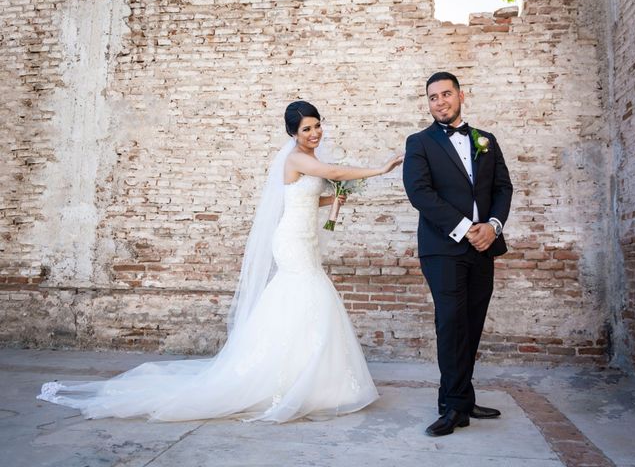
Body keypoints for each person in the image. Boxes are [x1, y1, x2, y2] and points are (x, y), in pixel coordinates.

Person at [37, 100, 403, 423]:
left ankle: (309, 381)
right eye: (307, 128)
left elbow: (304, 200)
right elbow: (336, 174)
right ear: (293, 133)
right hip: (291, 243)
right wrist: (379, 169)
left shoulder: (311, 161)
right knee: (311, 295)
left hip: (304, 238)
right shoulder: (296, 158)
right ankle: (293, 382)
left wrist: (334, 201)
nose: (315, 132)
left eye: (317, 125)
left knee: (301, 302)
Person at [402, 72, 513, 436]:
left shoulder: (487, 141)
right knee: (451, 323)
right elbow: (420, 193)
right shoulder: (419, 143)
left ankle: (461, 396)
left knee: (472, 322)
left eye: (446, 94)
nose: (440, 102)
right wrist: (468, 228)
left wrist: (492, 226)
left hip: (484, 247)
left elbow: (502, 187)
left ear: (461, 95)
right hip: (442, 248)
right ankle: (452, 406)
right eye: (433, 97)